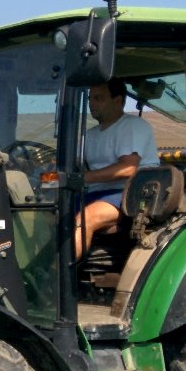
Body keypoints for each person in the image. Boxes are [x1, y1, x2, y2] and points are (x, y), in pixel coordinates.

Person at [75, 79, 158, 258]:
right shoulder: (90, 135)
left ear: (118, 101)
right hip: (95, 193)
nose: (91, 103)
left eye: (98, 98)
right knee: (50, 214)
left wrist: (84, 177)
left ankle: (61, 273)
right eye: (90, 99)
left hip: (130, 194)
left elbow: (128, 168)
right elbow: (74, 164)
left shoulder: (133, 126)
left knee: (85, 218)